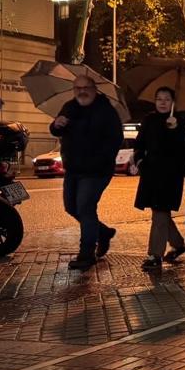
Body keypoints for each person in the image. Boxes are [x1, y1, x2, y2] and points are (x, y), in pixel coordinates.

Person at [50, 74, 123, 271]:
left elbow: (115, 139)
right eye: (78, 88)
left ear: (94, 89)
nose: (82, 91)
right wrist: (56, 124)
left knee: (85, 207)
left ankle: (86, 253)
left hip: (96, 170)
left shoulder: (106, 111)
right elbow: (56, 130)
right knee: (71, 207)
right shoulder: (69, 107)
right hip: (73, 168)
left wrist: (99, 158)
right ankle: (103, 232)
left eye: (86, 88)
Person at [133, 87, 185, 272]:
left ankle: (155, 255)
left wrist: (174, 130)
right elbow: (139, 144)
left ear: (173, 102)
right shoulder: (149, 120)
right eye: (159, 99)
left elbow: (183, 150)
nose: (162, 102)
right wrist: (140, 161)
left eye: (167, 99)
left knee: (159, 212)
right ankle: (178, 244)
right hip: (151, 174)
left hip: (169, 177)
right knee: (160, 213)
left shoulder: (181, 123)